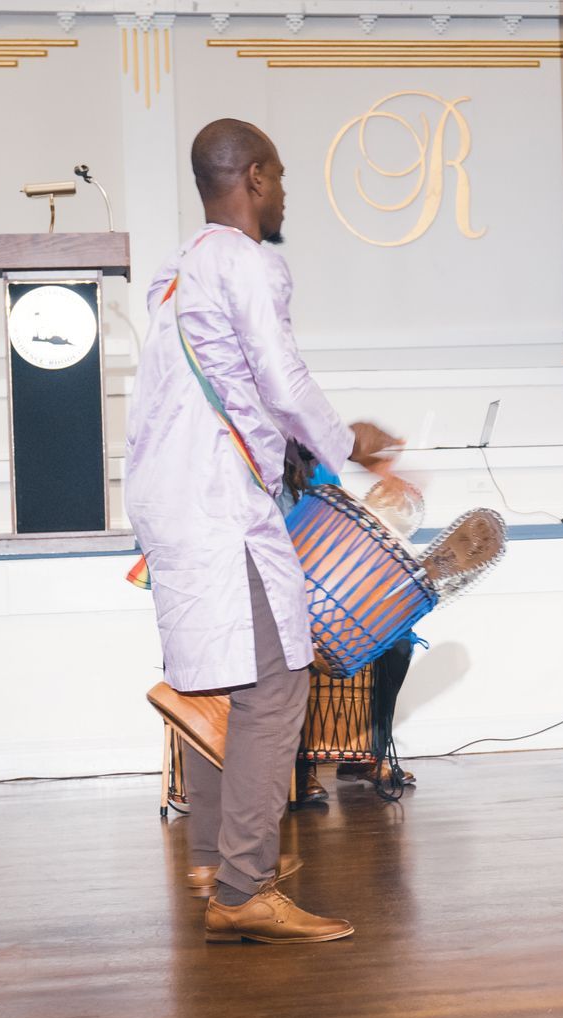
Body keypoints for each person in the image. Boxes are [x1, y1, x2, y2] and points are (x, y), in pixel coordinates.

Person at [126, 118, 401, 943]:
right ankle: (243, 889)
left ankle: (214, 858)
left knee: (212, 678)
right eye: (277, 176)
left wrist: (288, 453)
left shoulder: (177, 269)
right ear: (251, 177)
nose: (282, 194)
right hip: (218, 506)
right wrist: (345, 443)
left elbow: (214, 389)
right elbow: (280, 378)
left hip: (170, 496)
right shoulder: (247, 262)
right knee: (276, 684)